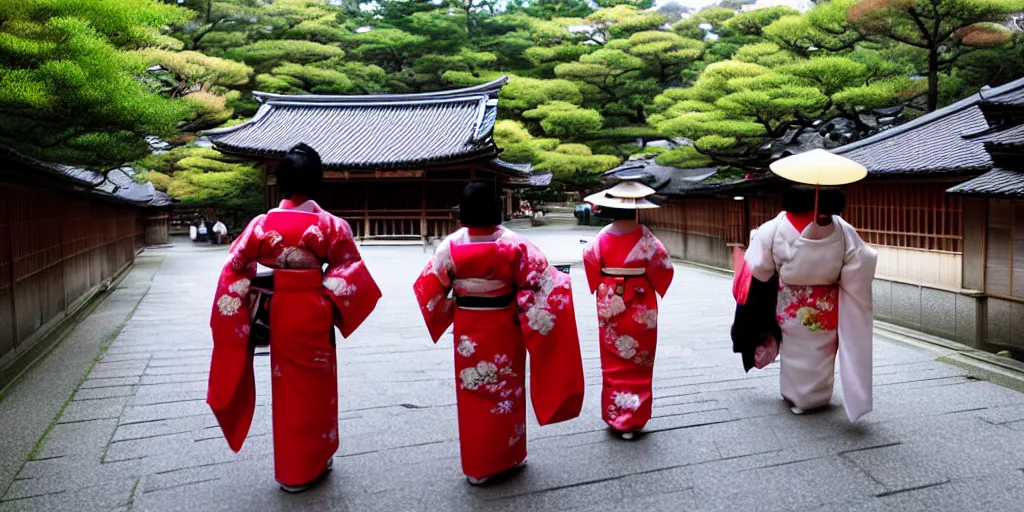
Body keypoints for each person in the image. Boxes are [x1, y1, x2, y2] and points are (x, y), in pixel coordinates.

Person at [207, 143, 382, 492]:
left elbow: (234, 269)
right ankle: (316, 457)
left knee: (286, 388)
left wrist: (243, 309)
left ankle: (291, 468)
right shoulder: (331, 225)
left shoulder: (261, 225)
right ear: (317, 182)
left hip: (281, 313)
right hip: (315, 312)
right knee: (317, 388)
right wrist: (330, 301)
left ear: (281, 182)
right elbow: (350, 267)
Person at [413, 182, 585, 485]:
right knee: (507, 391)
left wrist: (455, 306)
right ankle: (508, 456)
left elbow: (431, 292)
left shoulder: (449, 247)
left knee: (473, 393)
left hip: (468, 332)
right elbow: (542, 286)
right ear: (496, 210)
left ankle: (477, 465)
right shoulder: (515, 245)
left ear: (462, 215)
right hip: (505, 329)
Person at [731, 185, 876, 421]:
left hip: (791, 303)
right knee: (822, 351)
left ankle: (794, 395)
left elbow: (758, 267)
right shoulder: (842, 229)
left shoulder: (775, 227)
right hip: (825, 304)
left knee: (793, 349)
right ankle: (817, 396)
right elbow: (863, 258)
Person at [582, 181, 674, 439]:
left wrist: (605, 278)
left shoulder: (601, 237)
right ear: (636, 210)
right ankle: (635, 417)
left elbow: (589, 259)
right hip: (641, 301)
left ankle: (616, 416)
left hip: (610, 301)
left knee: (614, 361)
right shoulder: (647, 238)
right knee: (639, 362)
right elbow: (664, 266)